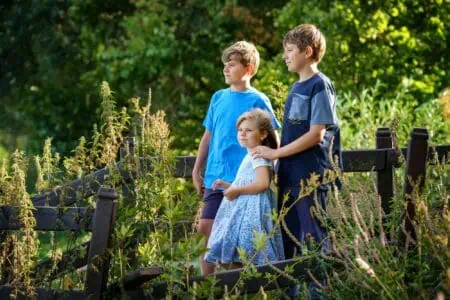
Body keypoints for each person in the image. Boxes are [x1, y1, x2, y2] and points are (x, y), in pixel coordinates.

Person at [252, 24, 342, 297]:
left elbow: (316, 134)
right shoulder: (295, 87)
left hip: (313, 177)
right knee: (288, 242)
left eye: (290, 50)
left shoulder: (320, 85)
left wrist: (275, 154)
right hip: (290, 176)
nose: (285, 56)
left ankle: (318, 295)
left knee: (315, 242)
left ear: (308, 51)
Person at [192, 41, 280, 275]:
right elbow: (208, 135)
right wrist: (196, 170)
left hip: (244, 180)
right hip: (215, 176)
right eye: (225, 65)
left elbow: (272, 139)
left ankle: (237, 285)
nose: (225, 69)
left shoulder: (259, 99)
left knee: (237, 236)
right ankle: (208, 287)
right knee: (206, 227)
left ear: (248, 69)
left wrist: (274, 168)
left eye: (231, 65)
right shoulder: (218, 97)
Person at [204, 109, 284, 268]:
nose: (242, 134)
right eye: (240, 130)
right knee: (239, 255)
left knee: (246, 254)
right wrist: (228, 185)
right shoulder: (250, 154)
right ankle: (239, 289)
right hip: (245, 208)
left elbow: (262, 184)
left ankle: (246, 288)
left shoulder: (258, 155)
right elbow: (248, 181)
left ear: (262, 135)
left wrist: (237, 191)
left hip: (252, 211)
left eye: (248, 130)